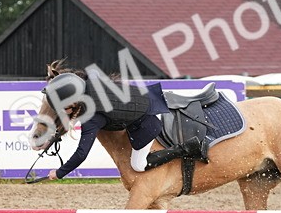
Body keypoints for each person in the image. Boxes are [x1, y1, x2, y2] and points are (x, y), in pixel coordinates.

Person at [42, 69, 202, 180]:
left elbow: (81, 154)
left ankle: (184, 148)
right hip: (148, 95)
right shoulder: (92, 80)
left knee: (138, 165)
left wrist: (60, 173)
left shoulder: (92, 118)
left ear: (73, 102)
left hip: (148, 120)